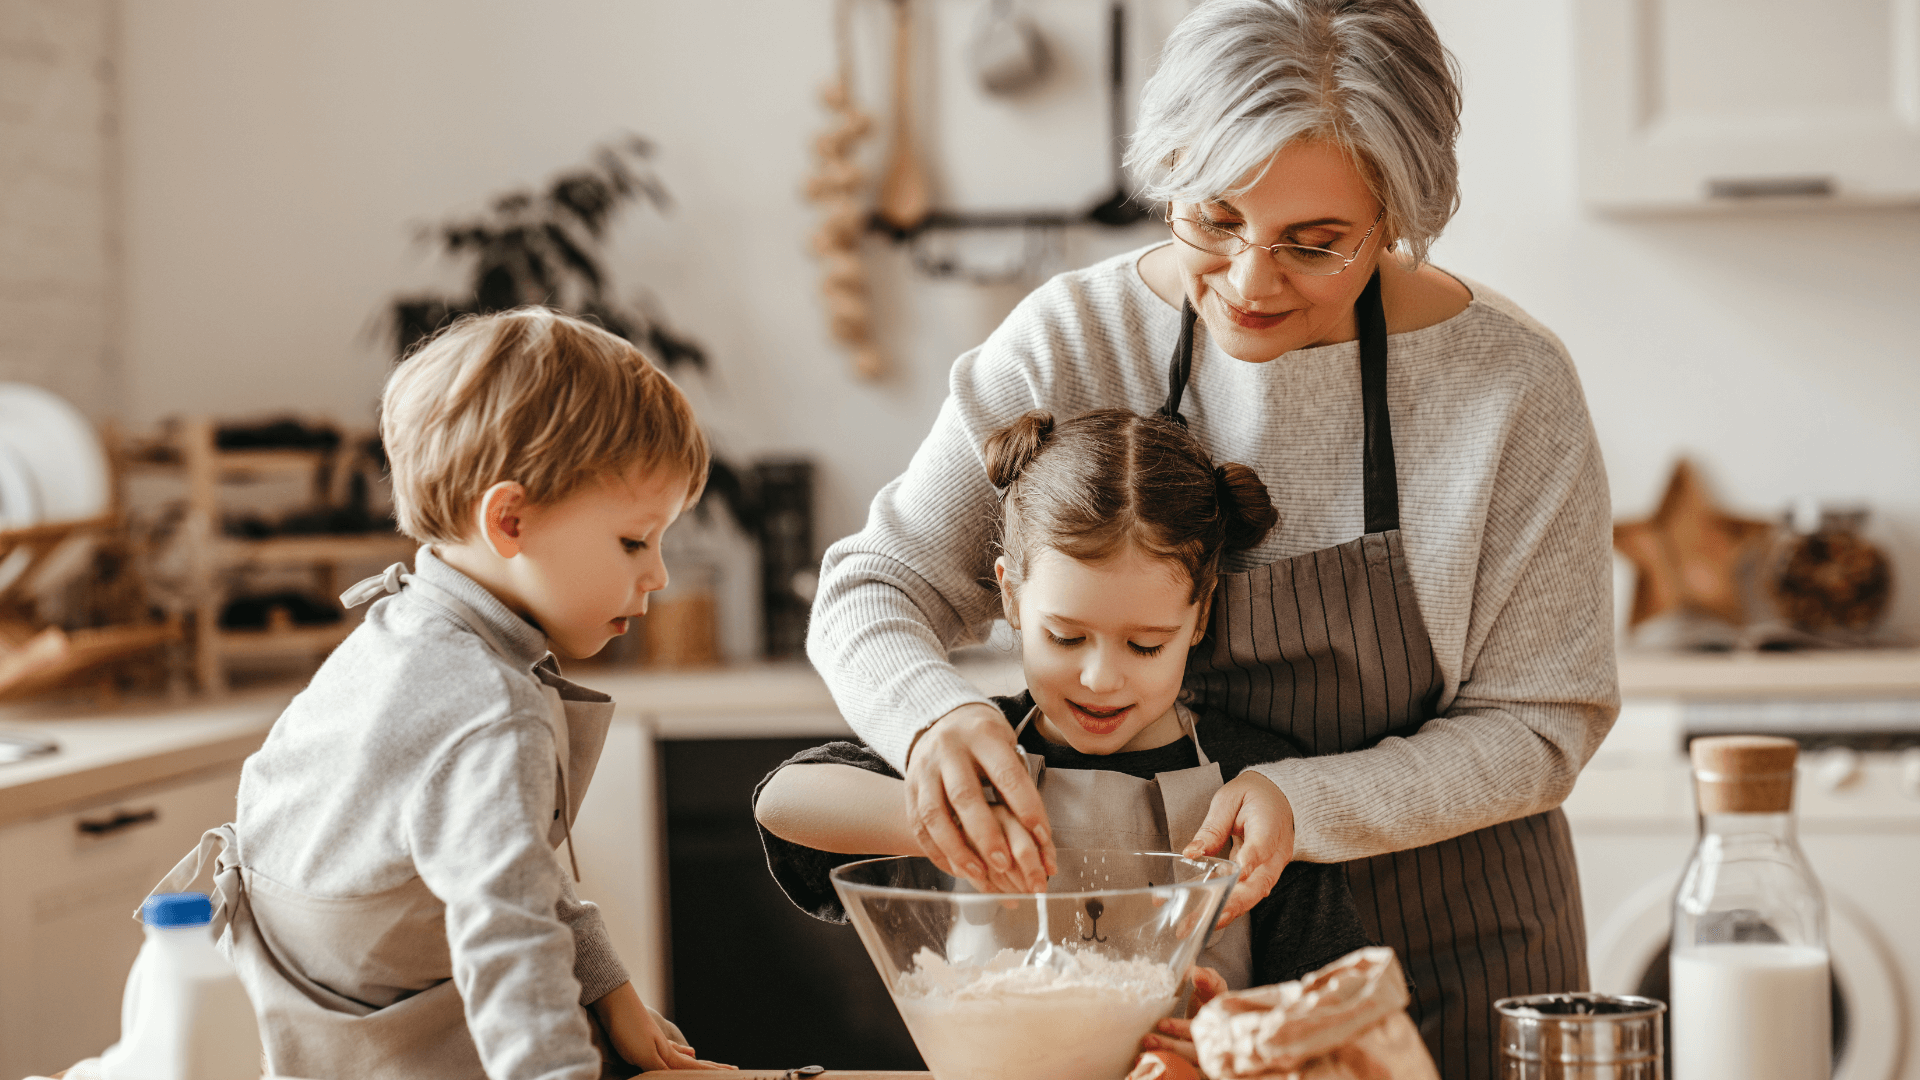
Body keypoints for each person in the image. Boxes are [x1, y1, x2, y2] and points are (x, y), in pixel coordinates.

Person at [804, 2, 1619, 1077]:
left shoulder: (1509, 386)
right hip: (1149, 990)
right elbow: (875, 588)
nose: (1249, 279)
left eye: (1315, 244)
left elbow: (1544, 720)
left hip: (1445, 955)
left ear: (1400, 216)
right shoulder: (1074, 338)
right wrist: (929, 717)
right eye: (1213, 219)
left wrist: (1307, 801)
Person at [140, 309, 734, 1078]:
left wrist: (608, 984)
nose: (656, 575)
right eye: (634, 540)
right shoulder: (487, 709)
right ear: (510, 519)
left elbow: (503, 853)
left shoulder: (405, 631)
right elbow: (510, 944)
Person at [756, 409, 1373, 1008]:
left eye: (1146, 644)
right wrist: (958, 822)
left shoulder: (1253, 784)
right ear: (1011, 597)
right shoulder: (983, 749)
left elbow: (1326, 1005)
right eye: (1066, 637)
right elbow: (782, 802)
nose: (1101, 679)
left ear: (1201, 614)